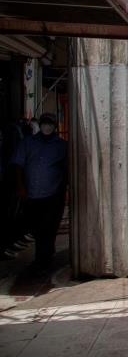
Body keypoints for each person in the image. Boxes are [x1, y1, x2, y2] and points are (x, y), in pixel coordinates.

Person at [12, 113, 67, 271]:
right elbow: (17, 166)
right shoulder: (28, 143)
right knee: (36, 228)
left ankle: (42, 259)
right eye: (44, 123)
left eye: (50, 123)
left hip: (52, 195)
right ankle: (44, 254)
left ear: (55, 126)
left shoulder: (61, 146)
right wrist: (21, 188)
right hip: (32, 194)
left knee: (48, 228)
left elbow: (66, 169)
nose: (47, 126)